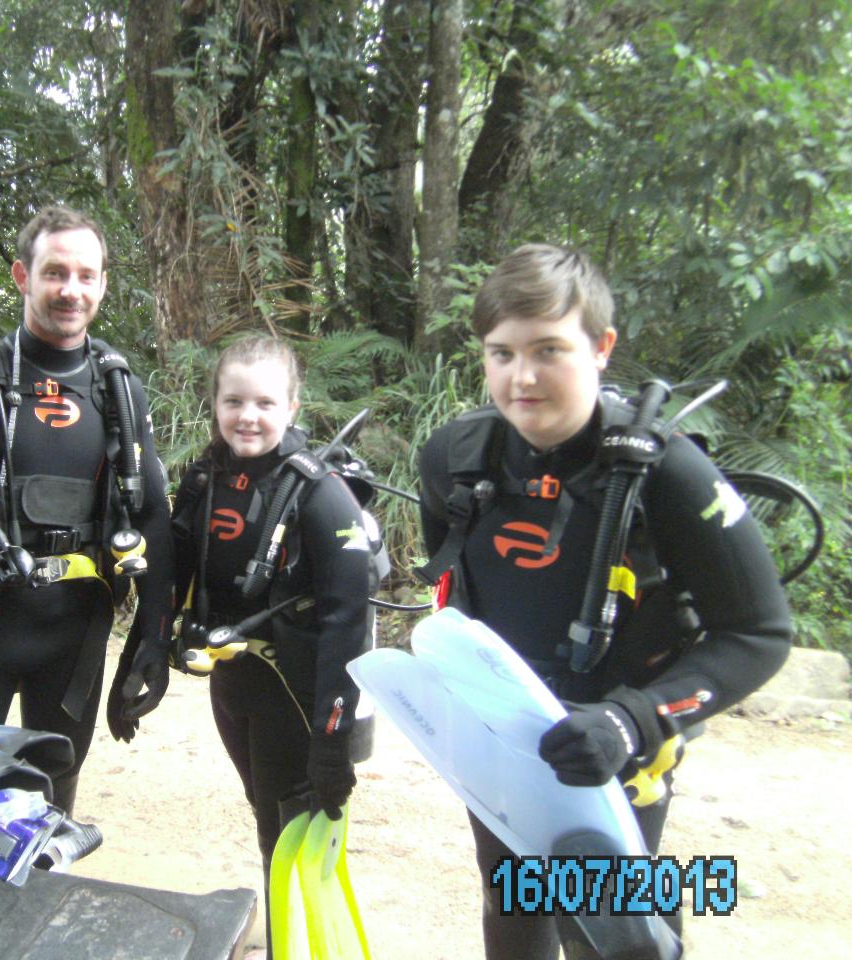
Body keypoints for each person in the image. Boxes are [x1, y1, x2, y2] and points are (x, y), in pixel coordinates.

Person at [416, 243, 793, 958]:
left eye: (548, 350)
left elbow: (759, 633)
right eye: (500, 353)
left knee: (611, 939)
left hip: (616, 756)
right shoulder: (455, 459)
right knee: (514, 910)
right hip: (504, 744)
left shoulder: (669, 474)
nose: (521, 378)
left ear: (602, 348)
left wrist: (632, 720)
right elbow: (458, 597)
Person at [0, 205, 173, 815]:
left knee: (50, 802)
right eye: (54, 272)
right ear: (21, 275)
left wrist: (152, 635)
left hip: (74, 638)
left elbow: (153, 514)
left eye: (86, 275)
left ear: (103, 283)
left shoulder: (118, 389)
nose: (71, 290)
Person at [164, 336, 374, 956]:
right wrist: (144, 654)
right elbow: (177, 567)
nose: (247, 416)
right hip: (234, 682)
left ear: (292, 405)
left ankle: (299, 940)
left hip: (297, 689)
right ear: (215, 403)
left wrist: (333, 740)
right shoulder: (206, 477)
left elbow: (347, 620)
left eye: (264, 402)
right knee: (266, 818)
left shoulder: (318, 491)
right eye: (233, 401)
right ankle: (284, 934)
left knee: (294, 829)